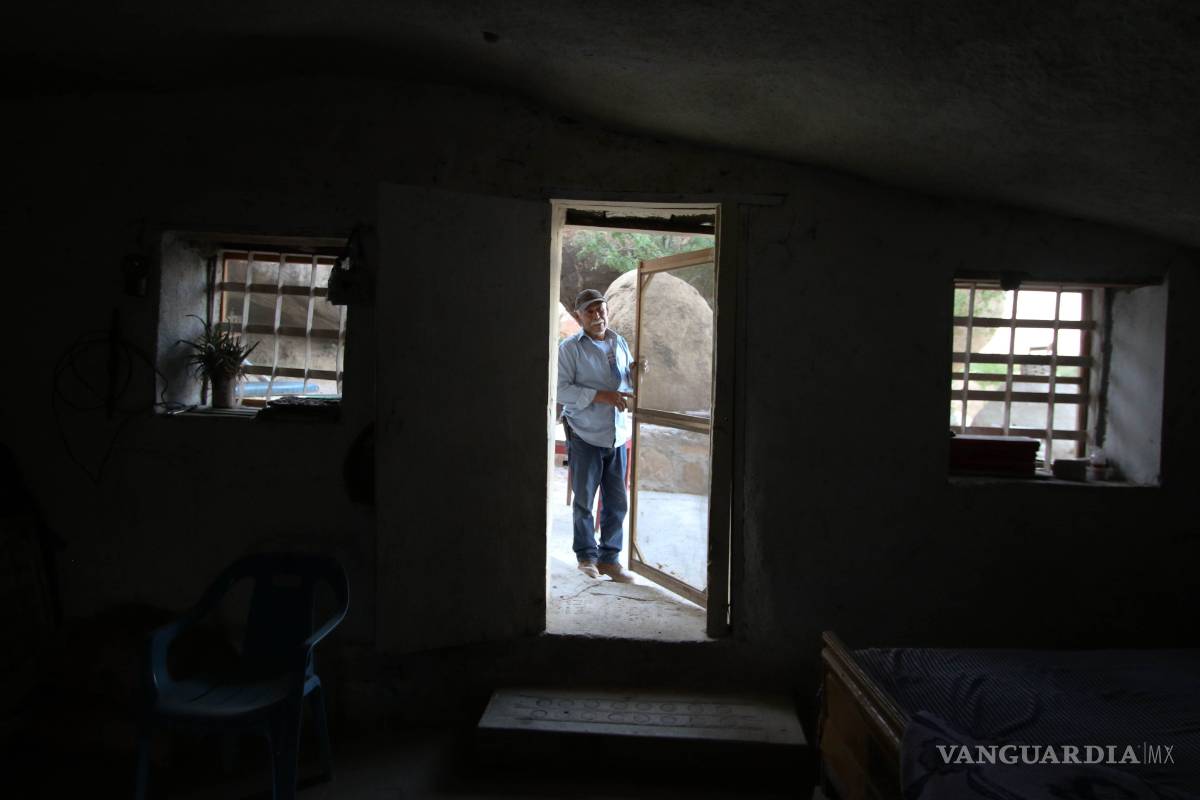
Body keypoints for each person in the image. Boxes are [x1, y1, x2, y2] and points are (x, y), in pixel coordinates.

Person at [557, 288, 637, 582]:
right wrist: (600, 396)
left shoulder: (619, 341)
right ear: (579, 316)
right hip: (585, 435)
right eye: (589, 311)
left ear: (607, 310)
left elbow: (626, 382)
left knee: (617, 502)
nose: (597, 315)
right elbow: (560, 390)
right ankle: (586, 557)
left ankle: (610, 560)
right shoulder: (570, 348)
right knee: (584, 501)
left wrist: (637, 375)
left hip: (616, 436)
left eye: (600, 308)